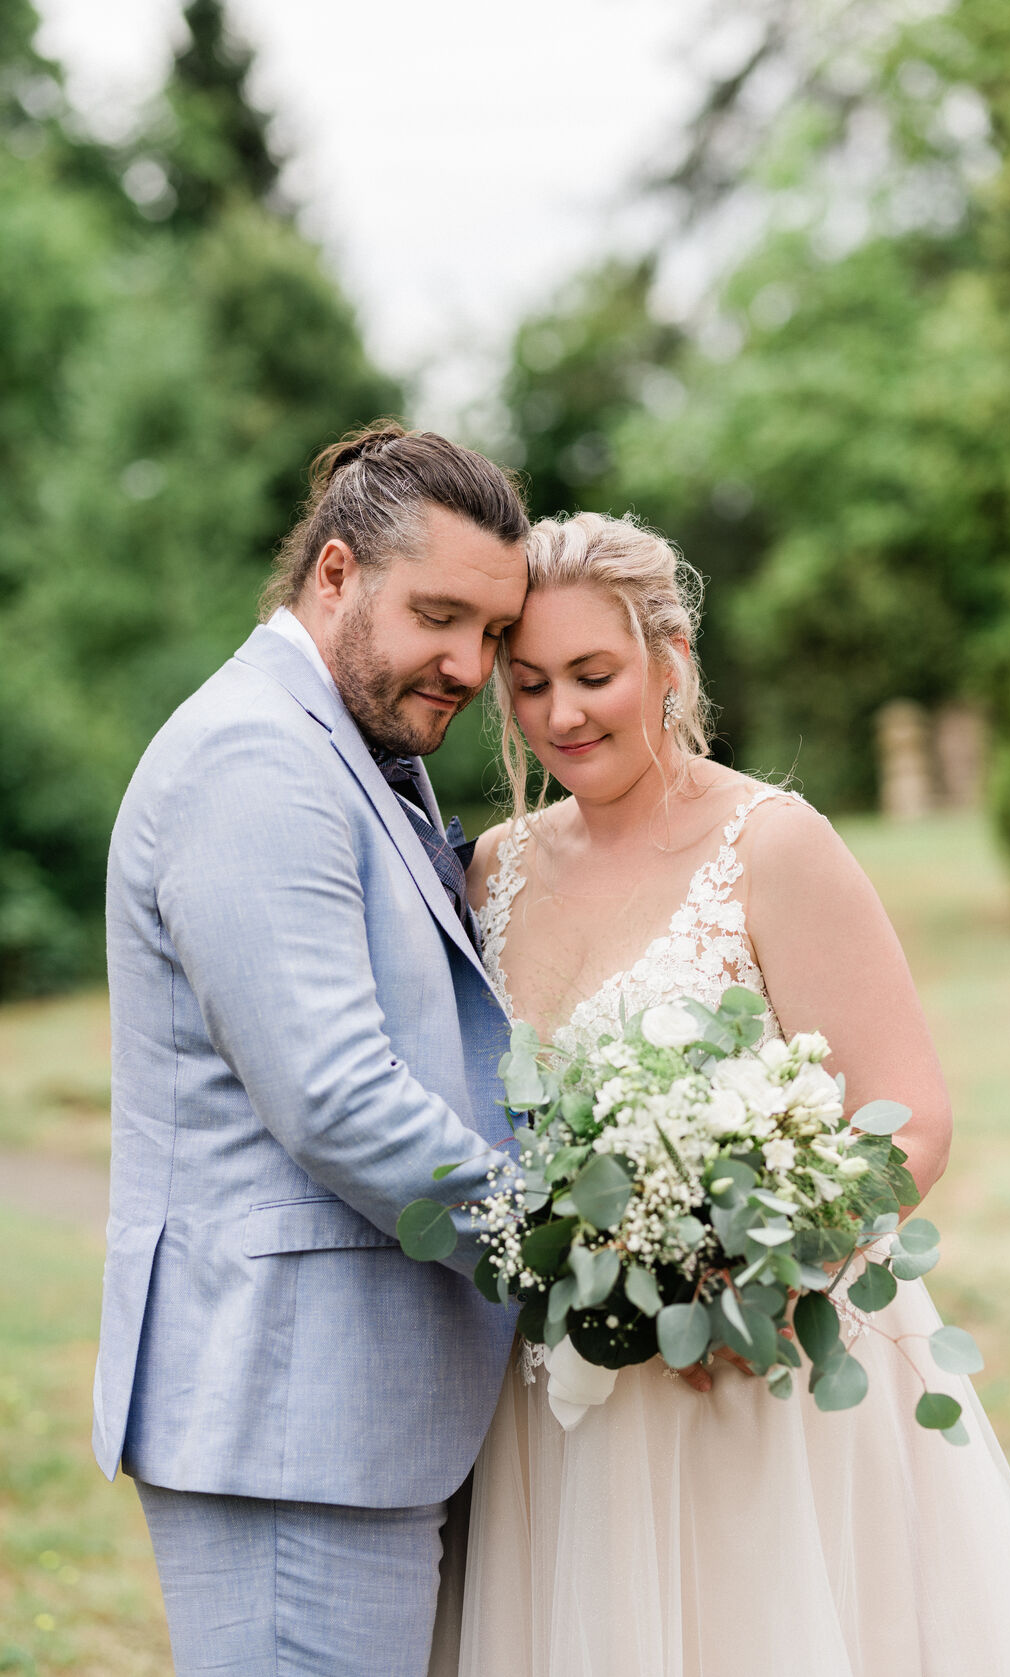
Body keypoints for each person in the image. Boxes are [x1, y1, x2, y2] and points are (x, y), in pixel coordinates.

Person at [449, 510, 1010, 1677]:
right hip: (563, 1397)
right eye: (530, 682)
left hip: (754, 1377)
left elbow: (910, 1119)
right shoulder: (493, 868)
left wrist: (746, 1273)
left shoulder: (771, 843)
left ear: (671, 660)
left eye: (593, 674)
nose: (561, 714)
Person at [92, 422, 529, 1677]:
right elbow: (337, 1099)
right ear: (333, 574)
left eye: (491, 634)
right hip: (286, 1412)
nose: (467, 663)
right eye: (438, 615)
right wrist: (568, 1245)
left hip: (353, 1412)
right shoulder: (255, 756)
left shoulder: (354, 743)